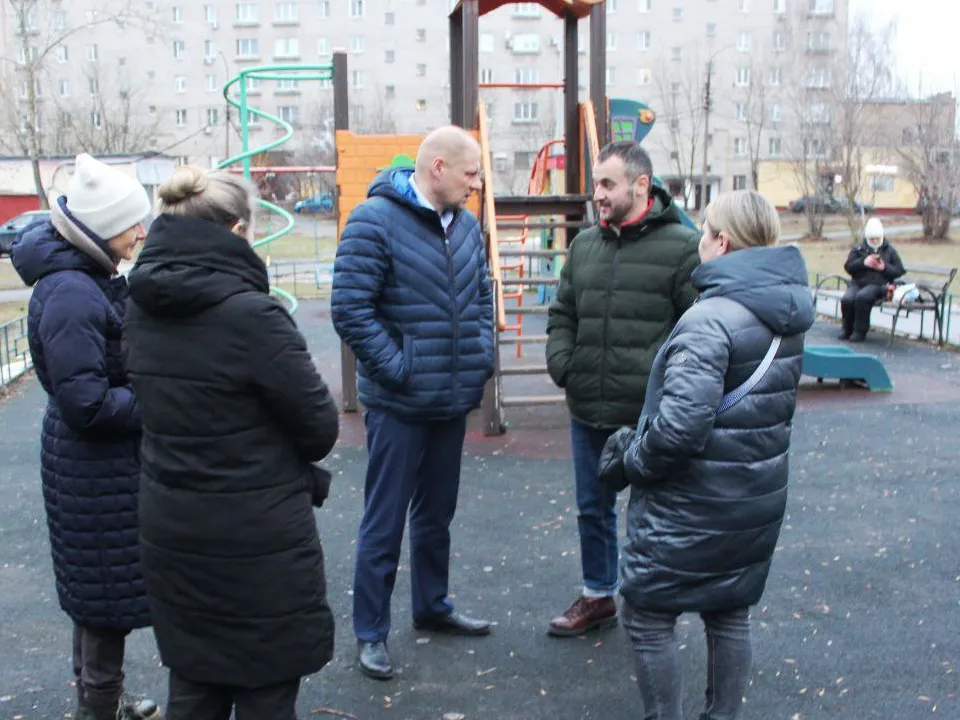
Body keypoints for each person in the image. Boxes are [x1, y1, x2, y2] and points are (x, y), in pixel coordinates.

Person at [123, 165, 340, 719]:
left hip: (173, 522)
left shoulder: (140, 305)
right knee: (266, 689)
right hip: (254, 533)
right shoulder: (252, 316)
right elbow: (318, 428)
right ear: (238, 231)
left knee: (194, 684)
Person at [616, 190, 814, 720]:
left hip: (690, 504)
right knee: (728, 612)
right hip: (754, 497)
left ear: (721, 241)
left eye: (705, 230)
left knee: (648, 615)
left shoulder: (711, 319)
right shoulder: (785, 313)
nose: (700, 240)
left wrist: (631, 461)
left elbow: (679, 430)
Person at [331, 125, 495, 681]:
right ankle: (370, 632)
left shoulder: (467, 225)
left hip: (450, 397)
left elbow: (482, 295)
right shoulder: (374, 220)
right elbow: (351, 308)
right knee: (385, 518)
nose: (478, 183)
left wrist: (480, 355)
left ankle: (432, 605)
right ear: (439, 168)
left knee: (436, 513)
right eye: (471, 172)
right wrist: (400, 368)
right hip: (400, 403)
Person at [10, 154, 158, 720]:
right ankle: (98, 707)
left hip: (95, 466)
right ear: (98, 227)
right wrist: (159, 403)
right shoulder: (74, 291)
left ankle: (101, 700)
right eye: (131, 222)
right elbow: (87, 404)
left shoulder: (88, 278)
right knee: (104, 600)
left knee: (100, 595)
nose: (142, 232)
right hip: (93, 467)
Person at [544, 140, 701, 637]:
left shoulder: (681, 247)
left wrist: (670, 394)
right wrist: (564, 364)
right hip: (588, 401)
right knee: (592, 507)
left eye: (607, 184)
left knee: (654, 513)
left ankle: (649, 604)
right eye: (595, 184)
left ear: (640, 185)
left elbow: (698, 330)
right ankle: (598, 596)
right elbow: (562, 313)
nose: (598, 195)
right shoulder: (585, 244)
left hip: (646, 414)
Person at [839, 217, 905, 341]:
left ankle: (860, 331)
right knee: (847, 299)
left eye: (877, 238)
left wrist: (884, 267)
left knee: (863, 297)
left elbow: (899, 270)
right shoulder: (858, 249)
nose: (874, 241)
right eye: (871, 239)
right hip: (858, 283)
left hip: (879, 285)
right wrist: (863, 262)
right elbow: (849, 267)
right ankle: (847, 329)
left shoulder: (889, 250)